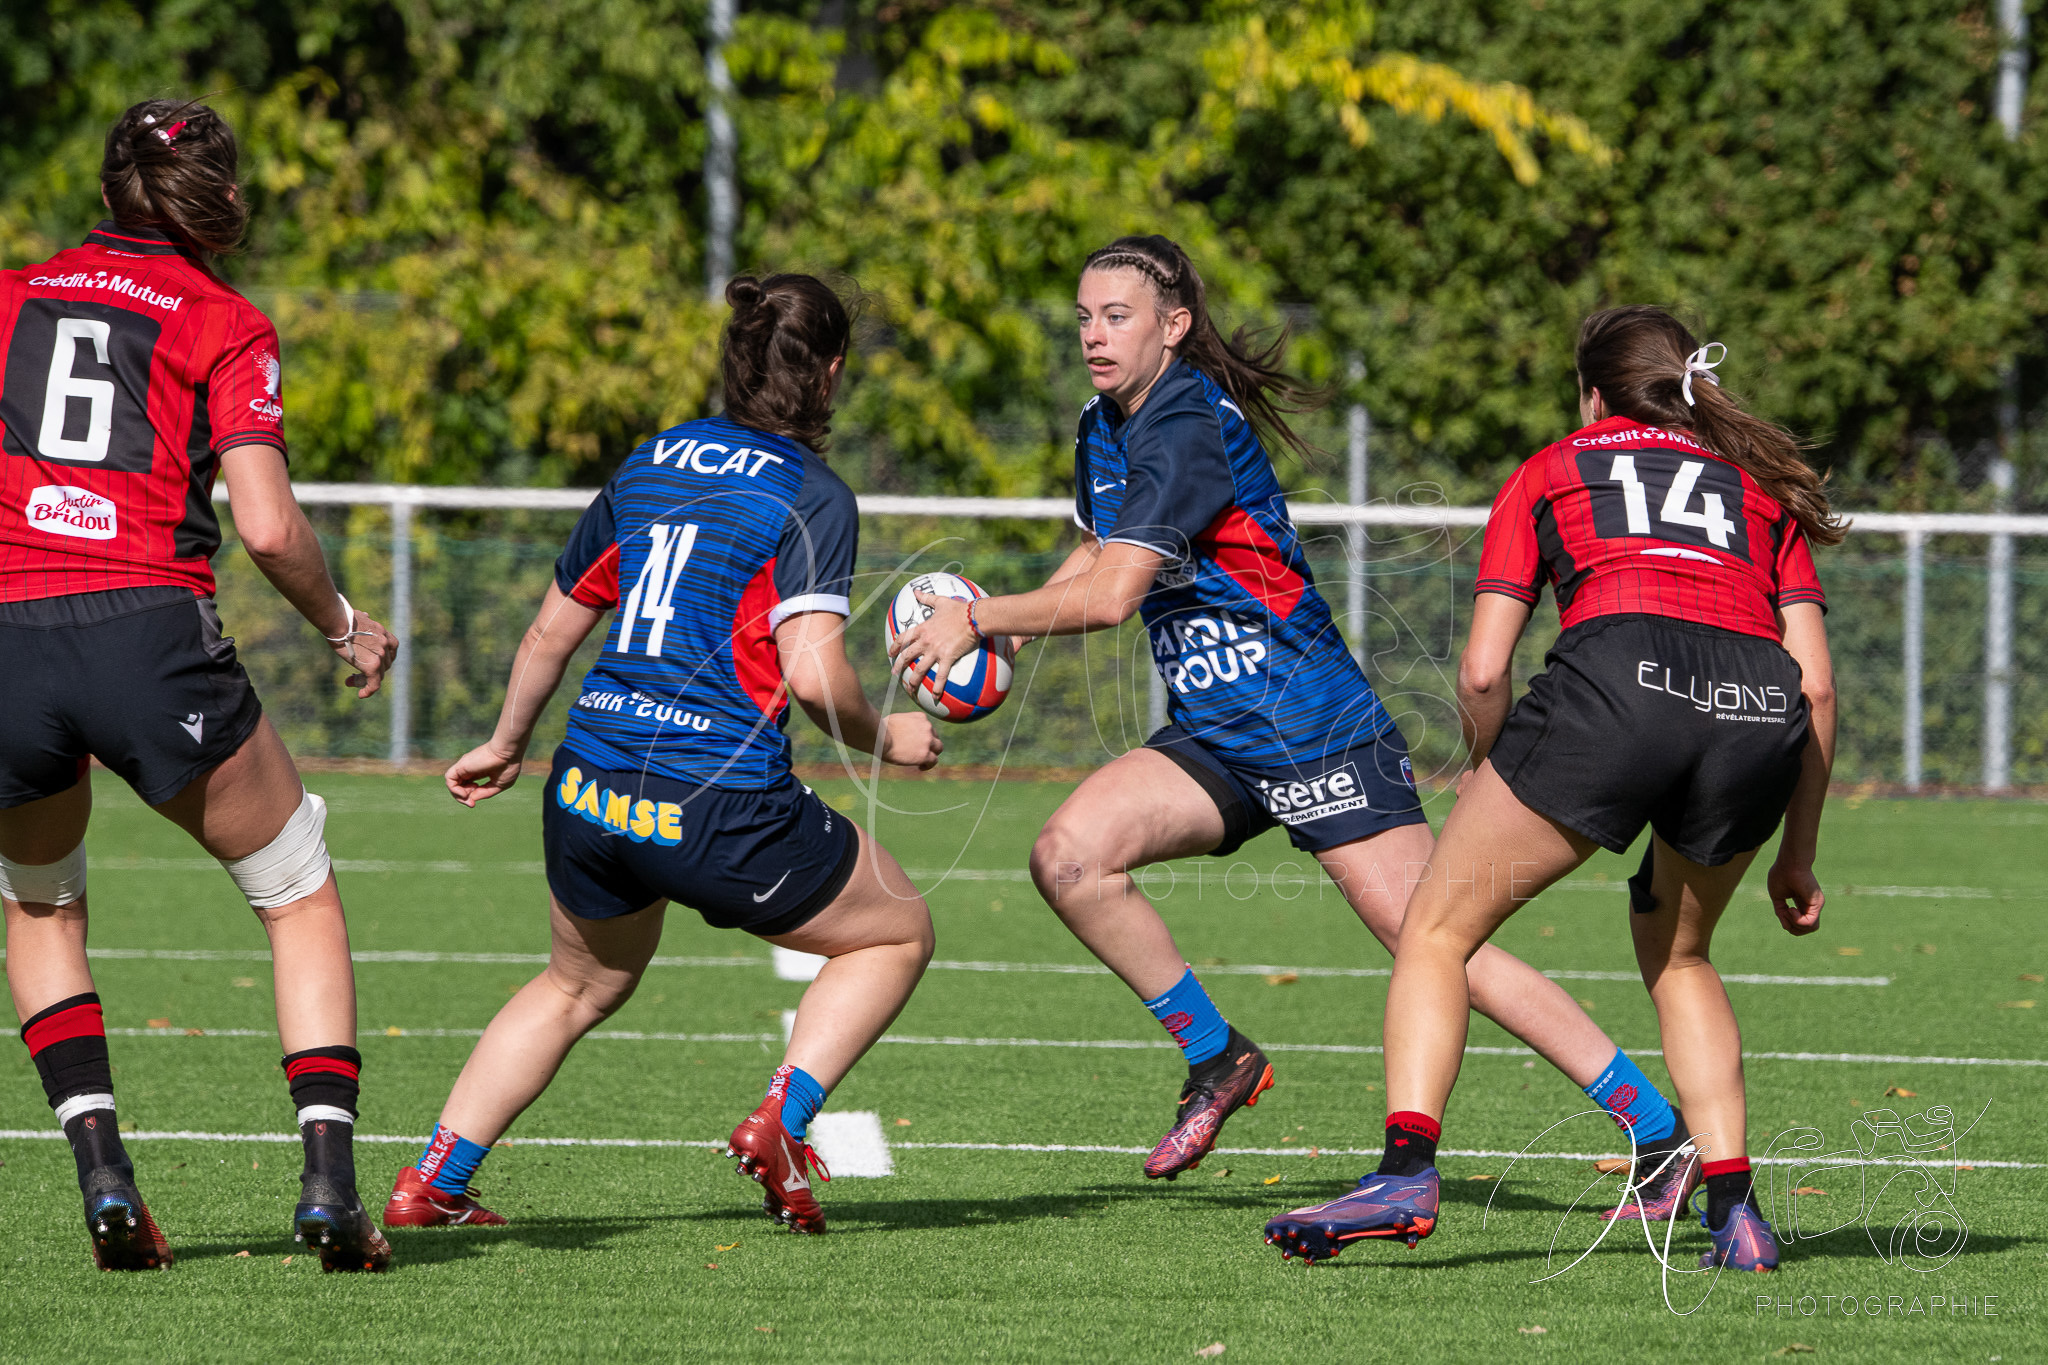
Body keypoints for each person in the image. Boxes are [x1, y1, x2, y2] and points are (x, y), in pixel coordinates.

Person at [887, 236, 1685, 1200]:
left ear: (1173, 328)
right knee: (1069, 855)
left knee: (1436, 942)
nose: (1095, 336)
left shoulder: (1182, 420)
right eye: (1086, 318)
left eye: (1119, 316)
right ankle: (1219, 1057)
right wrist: (1007, 642)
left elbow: (1113, 597)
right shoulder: (1106, 424)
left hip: (1313, 725)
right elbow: (1098, 551)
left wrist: (976, 616)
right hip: (1216, 732)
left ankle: (1657, 1129)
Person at [383, 273, 941, 1237]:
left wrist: (505, 742)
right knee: (895, 930)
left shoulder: (648, 465)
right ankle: (783, 1119)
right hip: (714, 797)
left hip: (589, 784)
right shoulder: (812, 493)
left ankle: (433, 1179)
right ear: (833, 373)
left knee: (575, 984)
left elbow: (549, 634)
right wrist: (890, 734)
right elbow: (812, 673)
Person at [1324, 305, 1837, 1272]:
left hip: (1618, 683)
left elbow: (1483, 671)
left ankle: (1404, 1167)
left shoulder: (1554, 467)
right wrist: (1799, 849)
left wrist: (1488, 761)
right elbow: (1814, 685)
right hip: (1754, 705)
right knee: (1681, 958)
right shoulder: (1758, 489)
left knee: (1435, 928)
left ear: (1593, 394)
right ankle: (1738, 1213)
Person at [0, 99, 400, 1272]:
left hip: (11, 633)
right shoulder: (224, 318)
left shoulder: (14, 294)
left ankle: (106, 1178)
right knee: (295, 888)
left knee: (42, 907)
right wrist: (342, 623)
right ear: (217, 192)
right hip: (144, 627)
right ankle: (329, 1186)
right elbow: (269, 527)